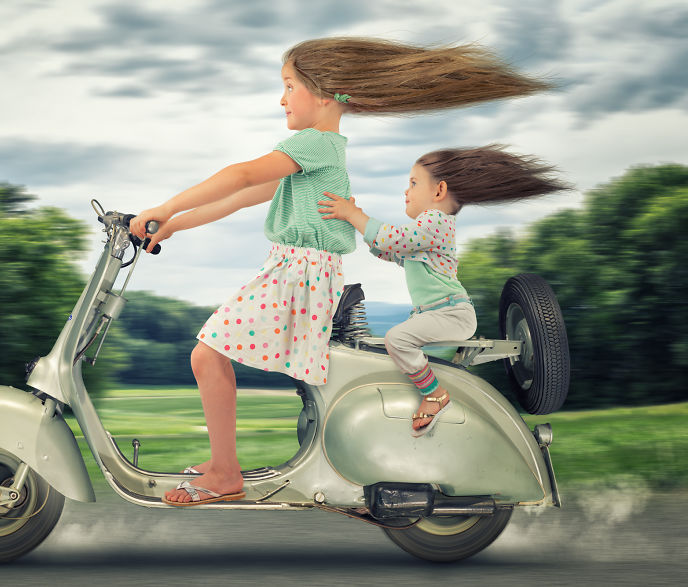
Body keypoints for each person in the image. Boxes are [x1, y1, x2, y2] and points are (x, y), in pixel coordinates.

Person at [130, 37, 552, 505]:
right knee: (210, 354)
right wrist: (172, 225)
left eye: (289, 86)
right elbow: (245, 196)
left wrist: (162, 206)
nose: (282, 98)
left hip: (299, 273)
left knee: (207, 356)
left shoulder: (316, 145)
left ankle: (226, 473)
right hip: (293, 269)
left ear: (325, 94)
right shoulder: (316, 154)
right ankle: (221, 463)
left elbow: (243, 175)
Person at [318, 145, 571, 437]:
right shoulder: (425, 234)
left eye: (413, 183)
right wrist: (355, 221)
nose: (406, 191)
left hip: (451, 313)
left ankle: (435, 395)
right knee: (394, 343)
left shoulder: (435, 222)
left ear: (438, 191)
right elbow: (391, 251)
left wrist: (355, 216)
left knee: (396, 340)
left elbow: (392, 240)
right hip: (438, 313)